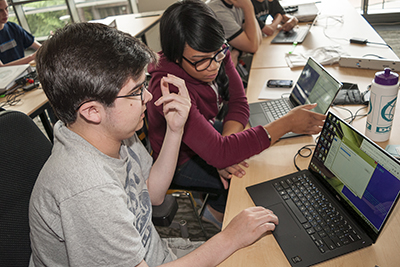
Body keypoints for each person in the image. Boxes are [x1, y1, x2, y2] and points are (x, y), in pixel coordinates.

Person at [29, 22, 280, 267]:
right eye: (137, 90)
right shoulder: (87, 190)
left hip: (157, 253)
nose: (148, 97)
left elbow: (154, 194)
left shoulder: (110, 132)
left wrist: (175, 130)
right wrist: (229, 238)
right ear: (92, 111)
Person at [147, 0, 325, 225]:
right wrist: (286, 124)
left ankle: (217, 205)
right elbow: (221, 151)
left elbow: (239, 102)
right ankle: (216, 213)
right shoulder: (168, 87)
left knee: (253, 155)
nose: (213, 66)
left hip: (207, 129)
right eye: (199, 61)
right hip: (180, 160)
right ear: (175, 57)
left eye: (218, 55)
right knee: (246, 175)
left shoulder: (215, 52)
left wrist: (225, 147)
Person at [207, 0, 262, 66]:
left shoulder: (239, 3)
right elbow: (253, 47)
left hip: (231, 61)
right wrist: (248, 7)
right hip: (217, 68)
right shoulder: (218, 11)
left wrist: (237, 52)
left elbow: (258, 39)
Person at [0, 0, 41, 66]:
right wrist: (31, 57)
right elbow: (2, 67)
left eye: (6, 8)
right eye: (0, 10)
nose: (5, 13)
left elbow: (40, 47)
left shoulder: (14, 28)